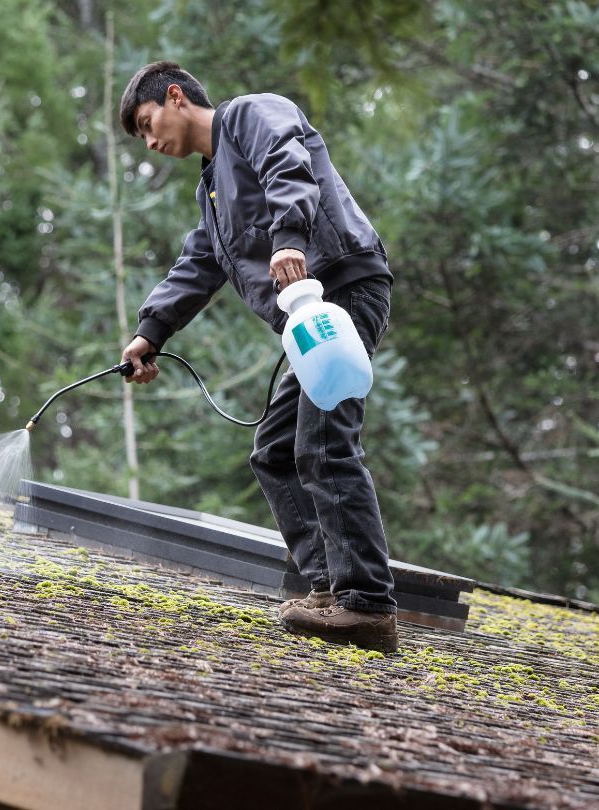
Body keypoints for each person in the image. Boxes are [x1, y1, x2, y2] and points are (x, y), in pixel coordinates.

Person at [117, 61, 400, 652]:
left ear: (175, 96)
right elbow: (198, 264)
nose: (150, 142)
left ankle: (368, 602)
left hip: (341, 290)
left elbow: (288, 165)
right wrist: (151, 332)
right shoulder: (213, 190)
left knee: (323, 441)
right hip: (308, 322)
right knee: (275, 451)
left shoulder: (249, 115)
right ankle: (329, 590)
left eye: (148, 123)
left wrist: (290, 241)